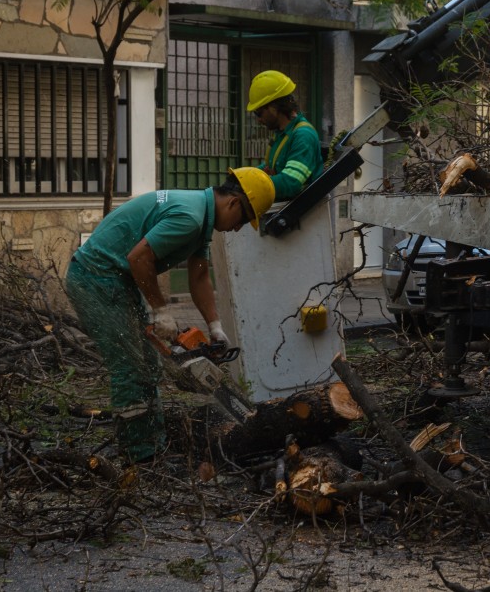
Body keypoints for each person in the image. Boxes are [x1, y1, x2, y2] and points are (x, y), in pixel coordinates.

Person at [65, 168, 275, 464]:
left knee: (149, 364)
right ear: (234, 203)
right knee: (130, 366)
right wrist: (161, 310)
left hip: (117, 280)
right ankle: (140, 456)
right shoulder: (189, 217)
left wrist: (215, 327)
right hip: (95, 278)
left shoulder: (200, 217)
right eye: (242, 220)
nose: (238, 228)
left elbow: (200, 276)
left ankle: (152, 442)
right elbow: (138, 258)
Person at [247, 70, 324, 201]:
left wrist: (254, 185)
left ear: (274, 107)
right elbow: (270, 166)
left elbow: (291, 182)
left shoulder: (303, 136)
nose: (258, 120)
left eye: (259, 113)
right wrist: (246, 177)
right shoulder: (283, 133)